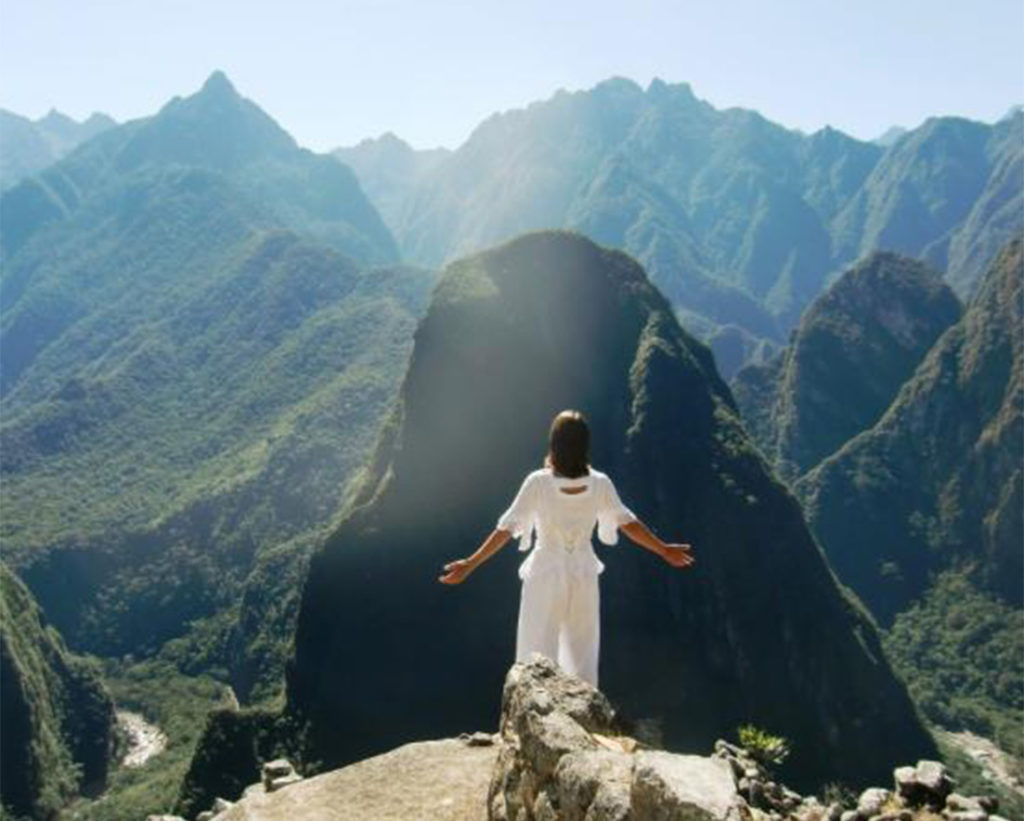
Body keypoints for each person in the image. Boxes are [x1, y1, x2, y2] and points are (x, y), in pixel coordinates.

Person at [437, 409, 694, 688]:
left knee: (535, 649)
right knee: (582, 651)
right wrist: (663, 549)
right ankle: (582, 717)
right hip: (583, 574)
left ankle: (534, 713)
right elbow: (627, 523)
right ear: (585, 445)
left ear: (554, 443)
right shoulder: (599, 484)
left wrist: (470, 563)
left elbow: (506, 529)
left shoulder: (538, 483)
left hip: (544, 573)